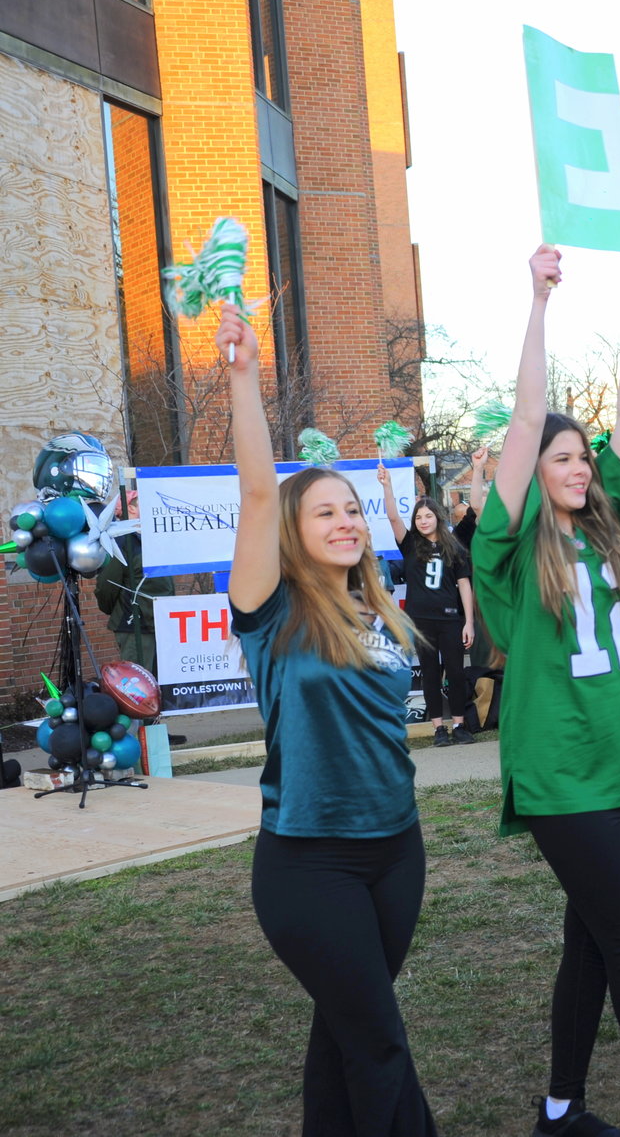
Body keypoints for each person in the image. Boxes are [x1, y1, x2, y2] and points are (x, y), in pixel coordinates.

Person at [469, 247, 620, 1137]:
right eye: (559, 457)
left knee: (591, 940)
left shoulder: (610, 529)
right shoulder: (506, 547)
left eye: (580, 457)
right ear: (530, 469)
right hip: (561, 774)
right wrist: (537, 302)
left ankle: (559, 1108)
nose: (575, 466)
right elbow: (531, 413)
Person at [220, 306, 439, 1136]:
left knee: (344, 1031)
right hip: (309, 864)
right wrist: (245, 377)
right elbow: (252, 492)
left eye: (352, 509)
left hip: (396, 850)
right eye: (325, 512)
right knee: (380, 1042)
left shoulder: (375, 610)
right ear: (292, 532)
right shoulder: (270, 612)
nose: (346, 521)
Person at [378, 471, 476, 746]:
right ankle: (438, 729)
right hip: (421, 621)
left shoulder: (453, 547)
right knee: (430, 674)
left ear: (437, 518)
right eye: (419, 517)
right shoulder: (410, 544)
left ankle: (458, 724)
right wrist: (386, 486)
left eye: (428, 516)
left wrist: (468, 621)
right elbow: (393, 517)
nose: (423, 521)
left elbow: (464, 585)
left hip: (450, 619)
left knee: (455, 672)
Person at [95, 489, 174, 670]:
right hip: (135, 626)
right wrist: (119, 610)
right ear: (131, 509)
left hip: (162, 623)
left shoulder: (157, 539)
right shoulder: (121, 542)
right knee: (139, 683)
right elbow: (107, 586)